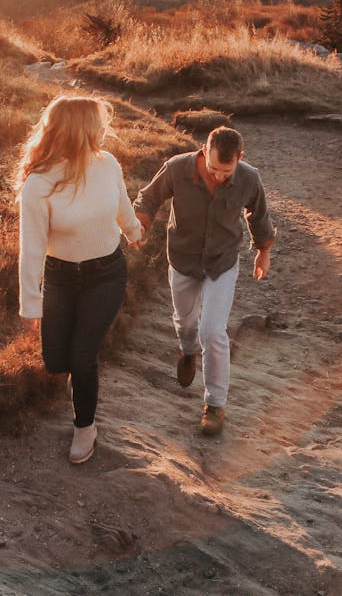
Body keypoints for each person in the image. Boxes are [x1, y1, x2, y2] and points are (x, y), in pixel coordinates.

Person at [17, 94, 143, 464]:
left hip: (106, 273)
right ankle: (78, 377)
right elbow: (32, 248)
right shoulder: (39, 185)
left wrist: (134, 231)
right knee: (56, 360)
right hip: (60, 277)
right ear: (79, 129)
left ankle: (85, 426)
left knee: (83, 356)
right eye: (99, 124)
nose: (105, 130)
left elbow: (122, 205)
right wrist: (31, 302)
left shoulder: (107, 165)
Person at [133, 125, 276, 437]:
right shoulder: (177, 169)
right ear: (203, 151)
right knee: (185, 323)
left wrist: (263, 252)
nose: (218, 176)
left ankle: (214, 404)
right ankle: (187, 351)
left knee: (213, 332)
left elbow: (258, 215)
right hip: (183, 260)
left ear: (240, 158)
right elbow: (148, 198)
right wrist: (141, 226)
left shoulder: (249, 178)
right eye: (213, 168)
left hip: (222, 262)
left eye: (226, 170)